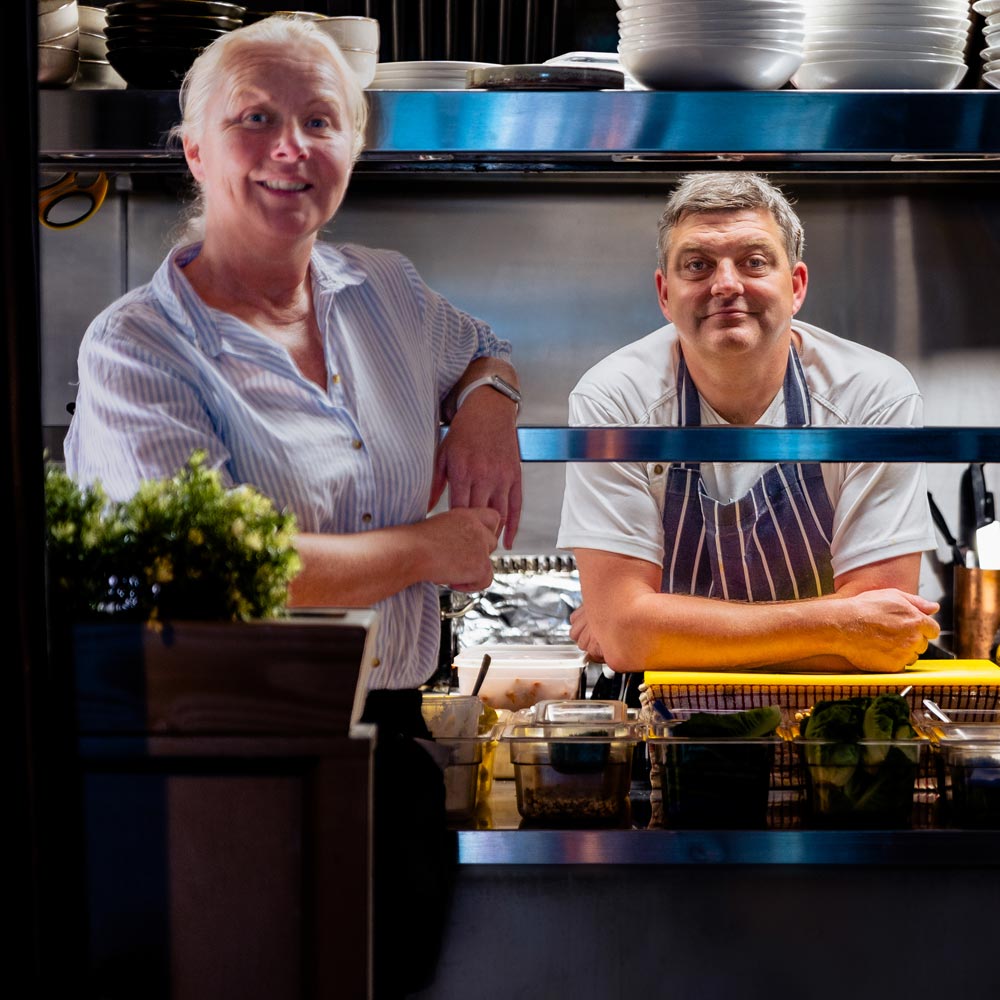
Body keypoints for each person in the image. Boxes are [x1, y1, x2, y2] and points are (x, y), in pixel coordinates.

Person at [63, 17, 521, 998]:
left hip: (392, 760)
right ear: (193, 149)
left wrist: (488, 404)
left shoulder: (387, 289)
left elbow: (482, 348)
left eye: (321, 120)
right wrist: (429, 549)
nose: (290, 149)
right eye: (255, 118)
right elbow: (209, 576)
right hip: (226, 768)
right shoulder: (137, 345)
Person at [557, 172, 940, 697]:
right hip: (664, 728)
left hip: (828, 728)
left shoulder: (872, 394)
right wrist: (837, 625)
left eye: (755, 261)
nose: (726, 285)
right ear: (665, 294)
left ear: (797, 285)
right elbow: (628, 633)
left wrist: (658, 629)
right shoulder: (615, 398)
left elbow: (885, 630)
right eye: (698, 265)